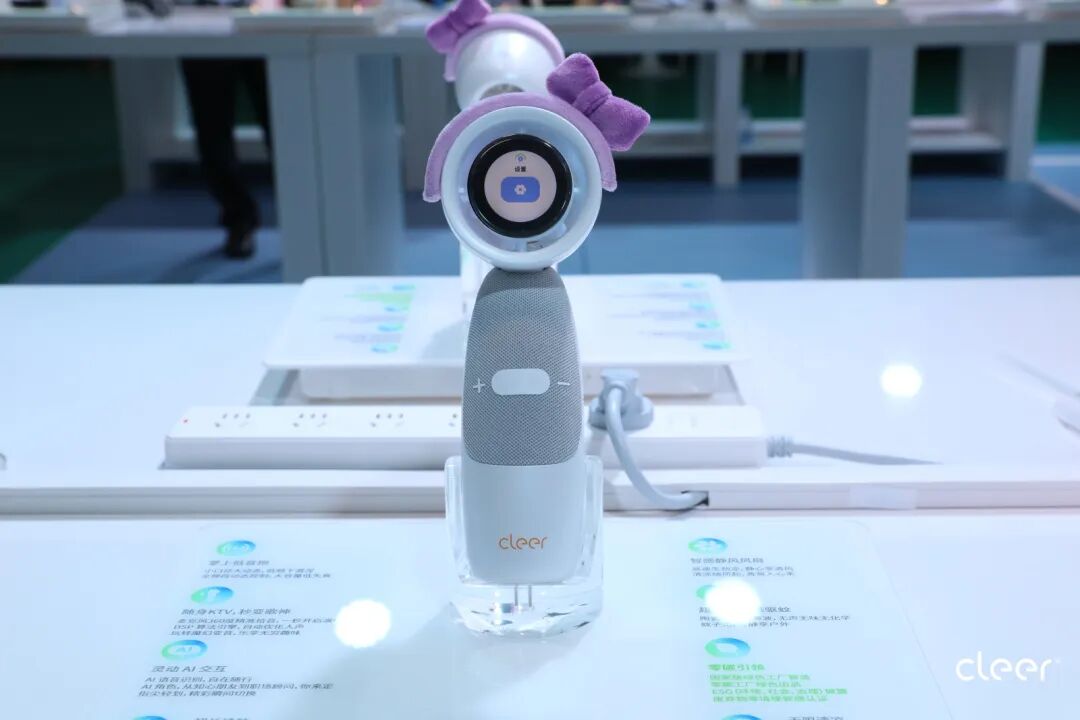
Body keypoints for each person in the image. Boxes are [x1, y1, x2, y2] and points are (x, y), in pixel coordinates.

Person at [180, 58, 271, 259]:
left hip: (274, 40)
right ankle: (239, 220)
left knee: (286, 126)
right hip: (205, 43)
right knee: (211, 127)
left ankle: (306, 218)